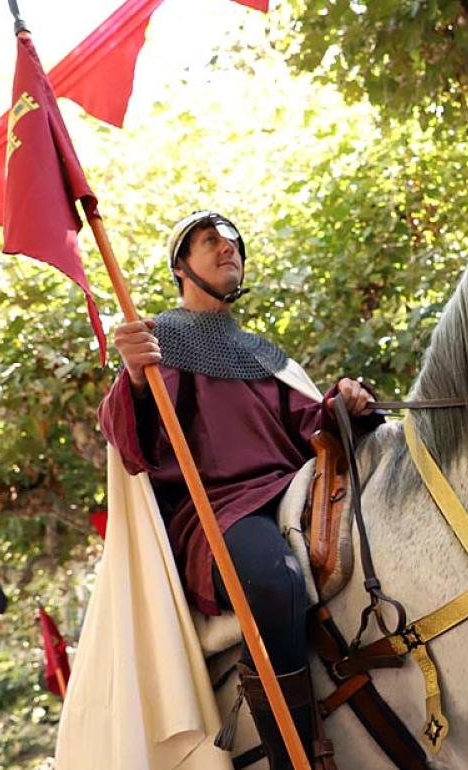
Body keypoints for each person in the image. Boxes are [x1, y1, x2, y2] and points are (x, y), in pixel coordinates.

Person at [98, 210, 382, 769]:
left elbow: (308, 425)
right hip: (219, 515)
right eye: (210, 242)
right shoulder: (161, 342)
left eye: (233, 242)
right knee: (275, 583)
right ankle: (293, 755)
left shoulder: (262, 351)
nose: (228, 249)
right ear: (181, 267)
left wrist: (344, 402)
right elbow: (131, 442)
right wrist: (133, 376)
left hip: (294, 489)